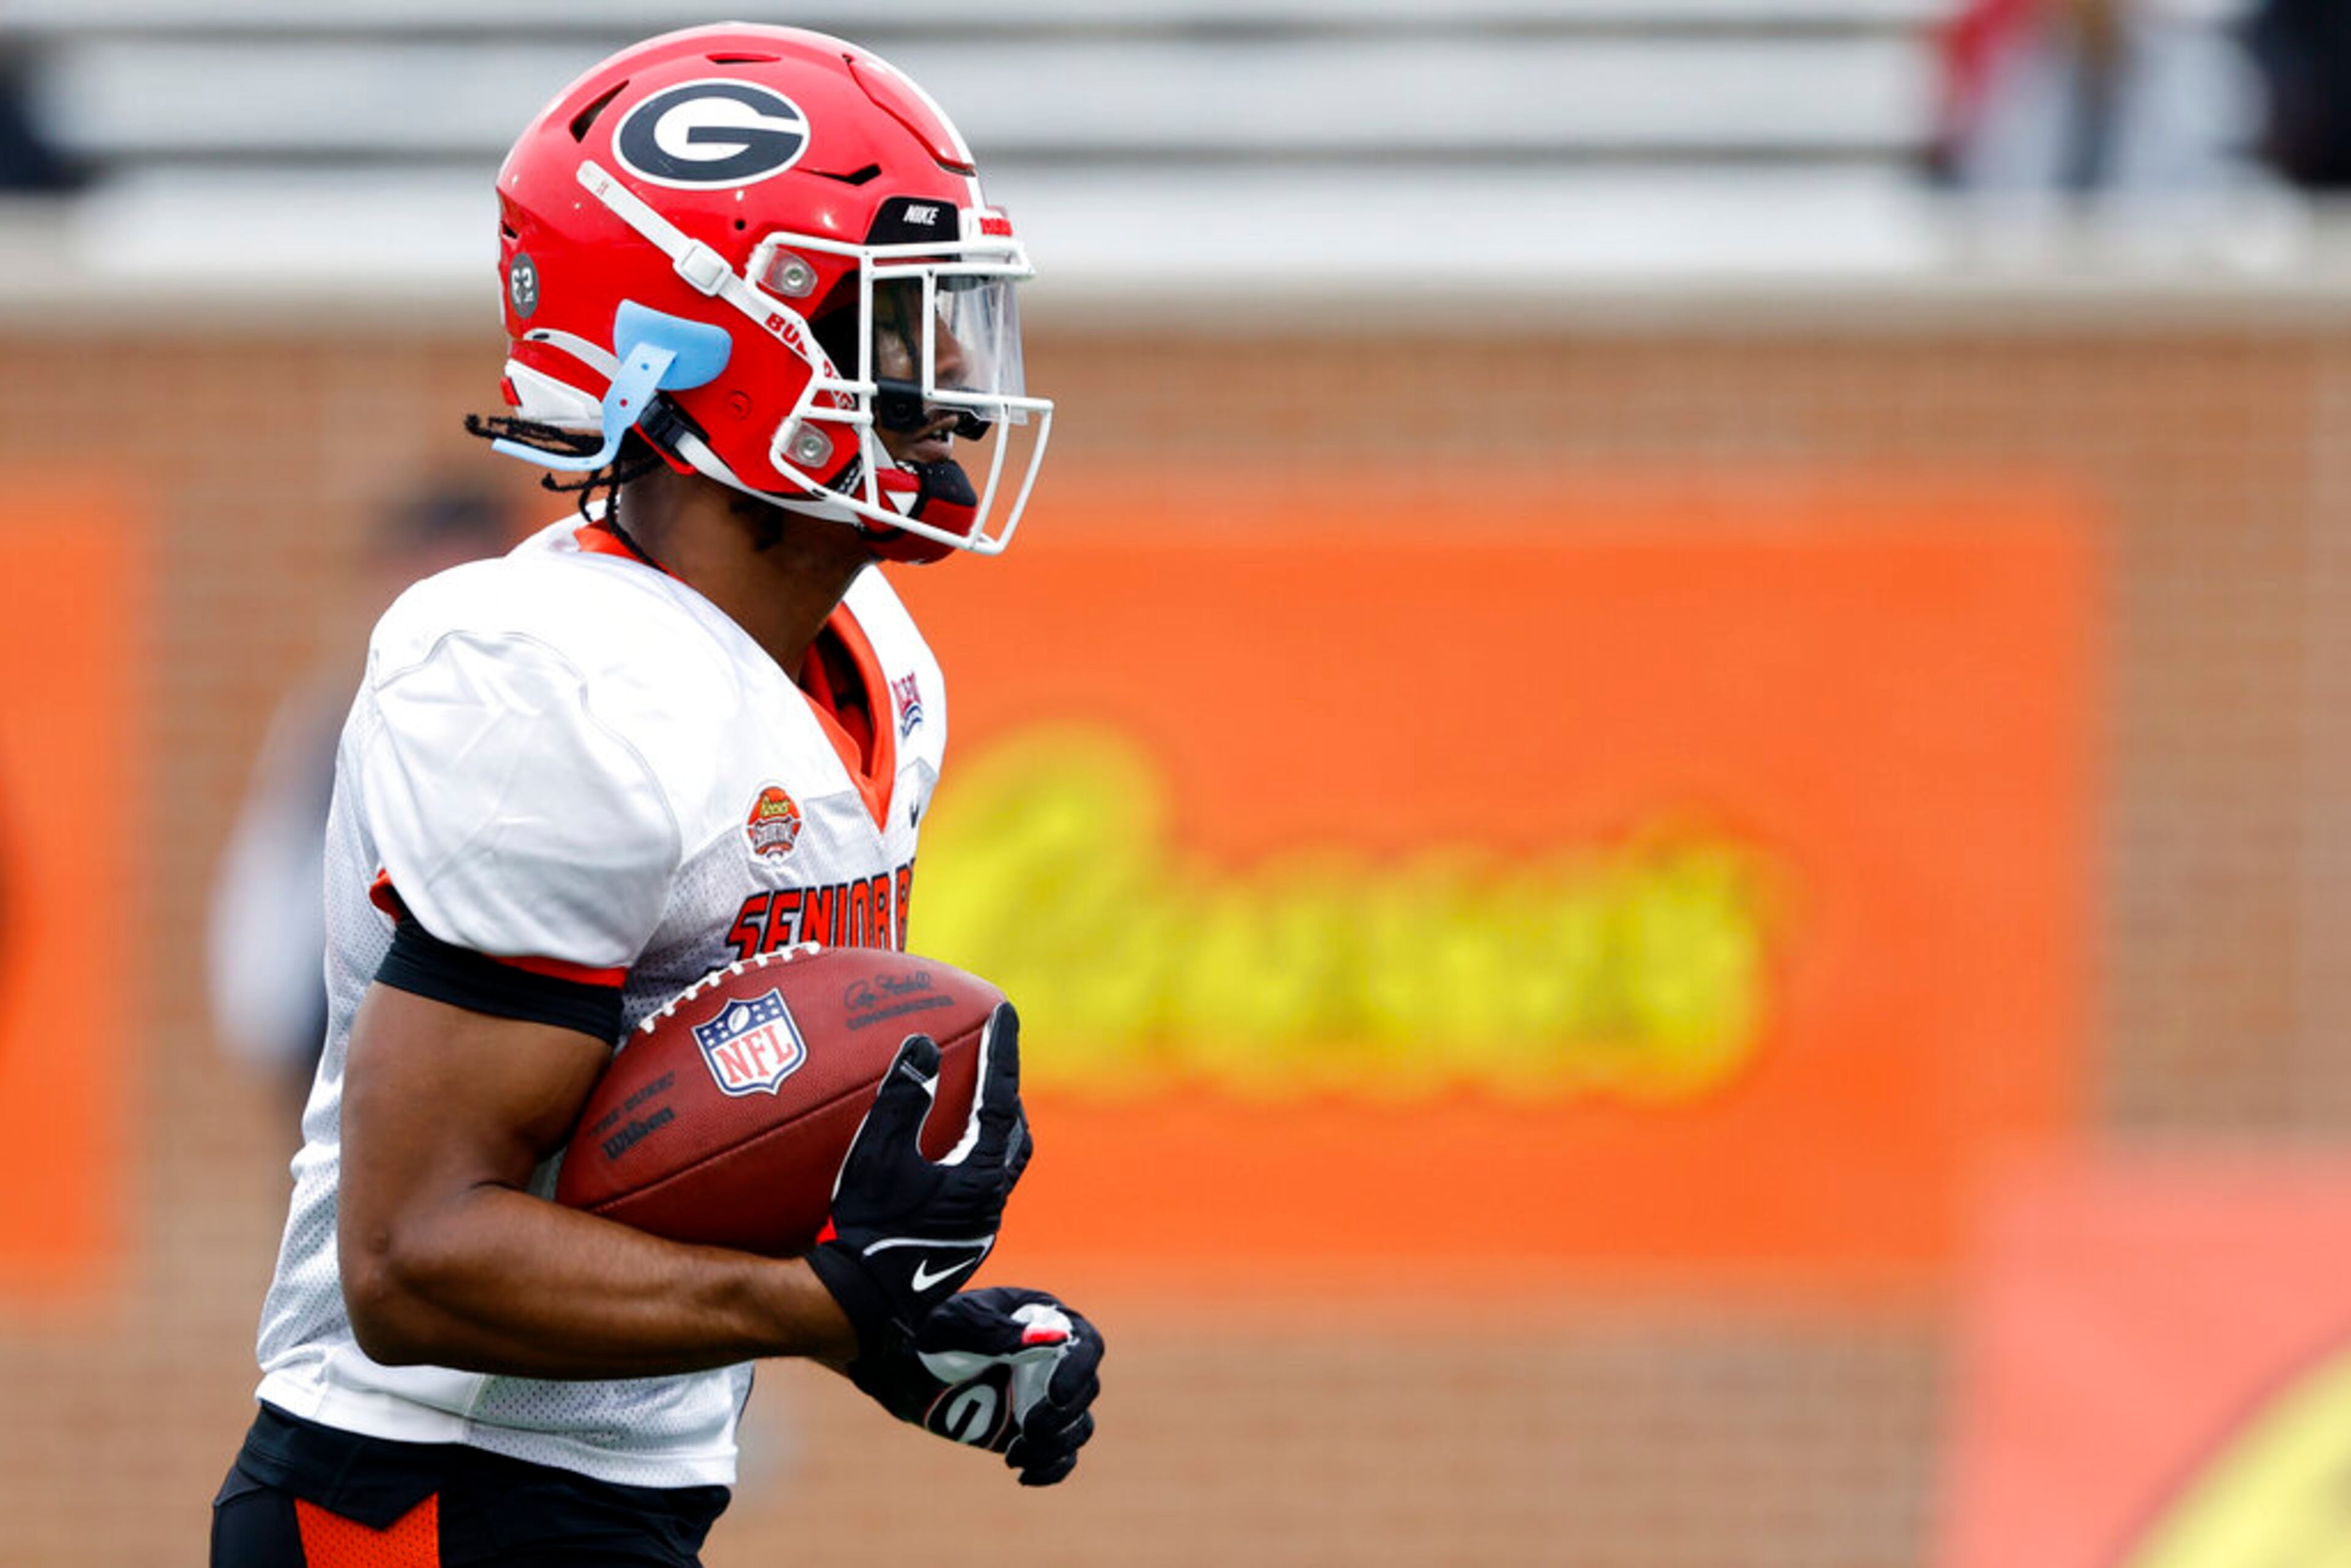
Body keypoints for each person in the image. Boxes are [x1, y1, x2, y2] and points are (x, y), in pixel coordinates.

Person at [211, 26, 1100, 1567]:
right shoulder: (546, 677)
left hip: (620, 1485)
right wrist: (821, 1312)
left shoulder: (876, 657)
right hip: (420, 1496)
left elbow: (680, 1142)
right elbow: (413, 1255)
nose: (952, 376)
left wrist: (898, 1326)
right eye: (894, 319)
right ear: (724, 347)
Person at [208, 484, 514, 1130]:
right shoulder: (332, 717)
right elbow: (275, 861)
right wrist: (271, 1015)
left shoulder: (526, 725)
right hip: (334, 1033)